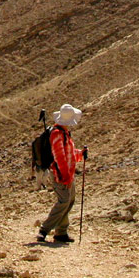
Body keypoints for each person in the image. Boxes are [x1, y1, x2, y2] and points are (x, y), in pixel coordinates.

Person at [37, 104, 87, 244]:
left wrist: (80, 154)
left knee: (68, 201)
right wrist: (65, 177)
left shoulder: (63, 133)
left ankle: (61, 232)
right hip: (61, 174)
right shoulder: (57, 134)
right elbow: (60, 157)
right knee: (64, 201)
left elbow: (69, 154)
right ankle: (44, 230)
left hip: (67, 173)